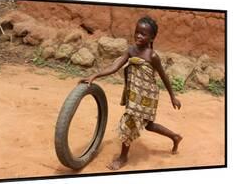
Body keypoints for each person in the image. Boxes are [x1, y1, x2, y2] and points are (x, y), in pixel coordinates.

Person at [78, 16, 182, 170]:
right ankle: (175, 137)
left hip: (147, 95)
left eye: (143, 34)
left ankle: (123, 157)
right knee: (148, 125)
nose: (139, 36)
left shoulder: (152, 56)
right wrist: (95, 75)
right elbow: (115, 66)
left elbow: (164, 76)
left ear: (152, 37)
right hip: (134, 93)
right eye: (137, 32)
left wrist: (173, 96)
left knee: (129, 122)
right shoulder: (131, 50)